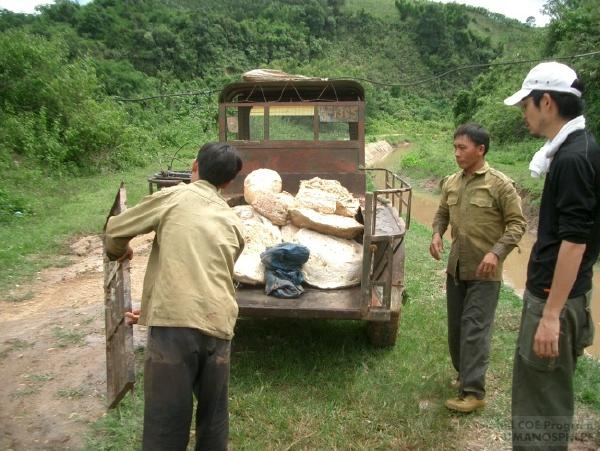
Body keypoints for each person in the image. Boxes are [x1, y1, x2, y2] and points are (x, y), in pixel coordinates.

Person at [105, 142, 245, 451]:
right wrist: (155, 310)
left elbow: (115, 231)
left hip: (174, 331)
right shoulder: (233, 219)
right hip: (220, 326)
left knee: (165, 424)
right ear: (228, 182)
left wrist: (120, 252)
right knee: (214, 418)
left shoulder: (173, 196)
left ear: (194, 166)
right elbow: (210, 274)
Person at [504, 61, 599, 450]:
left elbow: (574, 243)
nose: (523, 114)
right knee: (544, 397)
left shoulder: (575, 159)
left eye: (525, 105)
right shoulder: (577, 149)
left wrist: (551, 315)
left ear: (546, 102)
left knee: (539, 405)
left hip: (553, 297)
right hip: (563, 293)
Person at [430, 123, 526, 413]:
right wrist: (436, 233)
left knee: (474, 329)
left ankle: (474, 392)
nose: (456, 153)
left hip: (485, 273)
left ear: (480, 150)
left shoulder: (500, 184)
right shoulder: (452, 182)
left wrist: (496, 253)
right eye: (455, 147)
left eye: (463, 147)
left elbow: (518, 224)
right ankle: (463, 375)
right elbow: (442, 212)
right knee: (457, 330)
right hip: (457, 267)